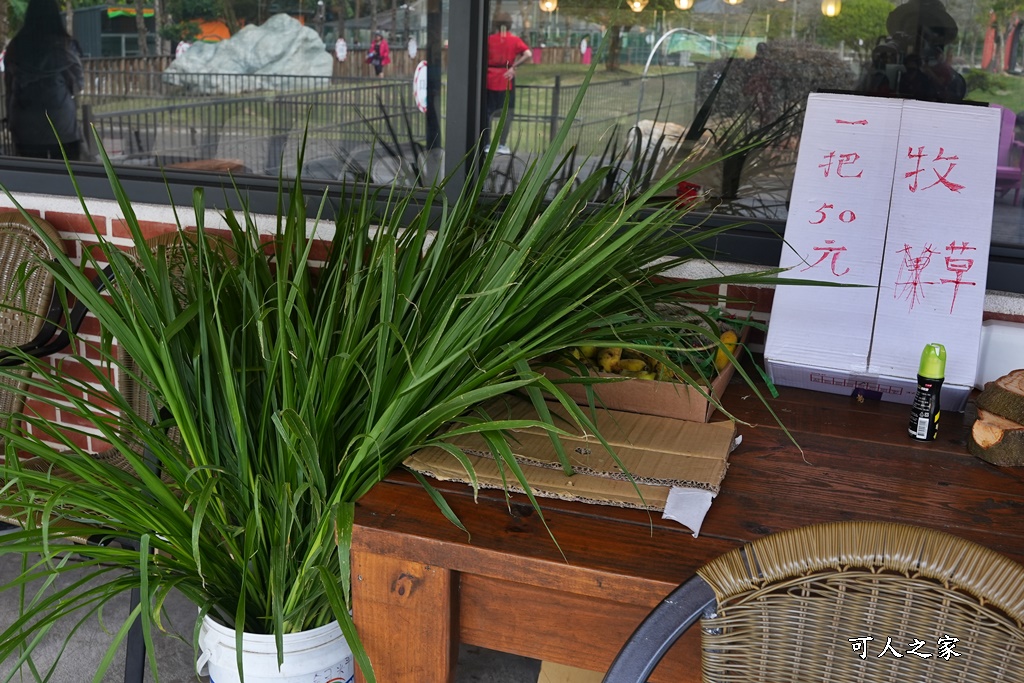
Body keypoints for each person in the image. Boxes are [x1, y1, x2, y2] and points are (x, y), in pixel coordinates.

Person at [4, 0, 84, 160]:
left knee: (30, 175)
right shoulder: (65, 46)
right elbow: (78, 83)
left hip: (25, 122)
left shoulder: (16, 46)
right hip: (61, 122)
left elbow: (9, 87)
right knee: (68, 174)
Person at [484, 12, 531, 155]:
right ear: (510, 25)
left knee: (488, 114)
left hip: (489, 78)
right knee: (507, 113)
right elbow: (528, 54)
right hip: (507, 78)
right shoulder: (515, 40)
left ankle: (486, 143)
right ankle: (502, 144)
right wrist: (513, 67)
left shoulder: (488, 40)